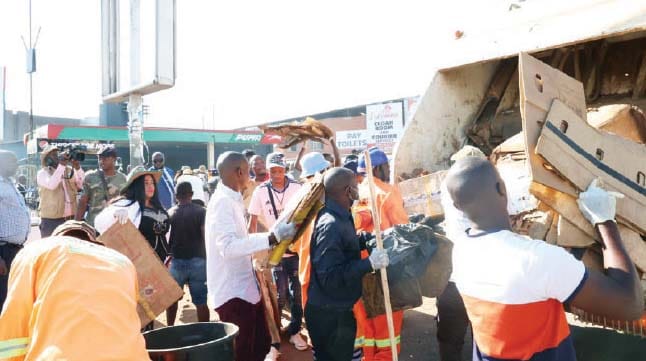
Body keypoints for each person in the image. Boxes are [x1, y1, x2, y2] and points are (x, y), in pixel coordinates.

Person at [446, 157, 643, 361]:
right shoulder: (536, 259)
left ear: (457, 206)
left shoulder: (461, 250)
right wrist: (604, 220)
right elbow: (631, 305)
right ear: (501, 188)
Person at [0, 221, 149, 360]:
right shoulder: (123, 262)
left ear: (57, 237)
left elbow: (15, 322)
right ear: (95, 242)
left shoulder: (36, 251)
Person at [205, 151, 295, 361]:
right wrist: (271, 238)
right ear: (239, 172)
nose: (251, 176)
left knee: (260, 346)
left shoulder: (232, 199)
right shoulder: (222, 203)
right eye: (248, 172)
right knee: (243, 353)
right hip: (233, 294)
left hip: (245, 289)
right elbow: (227, 248)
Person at [305, 167, 389, 361]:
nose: (359, 188)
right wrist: (369, 263)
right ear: (347, 191)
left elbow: (345, 245)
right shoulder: (331, 224)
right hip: (329, 316)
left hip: (337, 310)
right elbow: (330, 276)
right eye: (355, 185)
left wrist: (366, 240)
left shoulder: (342, 214)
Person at [248, 152, 307, 354]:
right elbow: (252, 222)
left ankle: (294, 330)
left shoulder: (298, 188)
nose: (276, 174)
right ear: (268, 170)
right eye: (273, 170)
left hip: (297, 250)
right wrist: (254, 248)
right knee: (278, 293)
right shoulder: (260, 191)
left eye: (280, 170)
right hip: (274, 251)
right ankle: (275, 334)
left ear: (285, 170)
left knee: (297, 293)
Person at [354, 147, 408, 361]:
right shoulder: (387, 192)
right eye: (386, 166)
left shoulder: (356, 193)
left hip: (362, 268)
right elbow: (402, 229)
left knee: (367, 324)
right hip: (386, 269)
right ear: (378, 168)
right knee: (388, 327)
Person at [436, 145, 486, 361]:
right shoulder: (486, 189)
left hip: (453, 277)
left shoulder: (447, 185)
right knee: (483, 337)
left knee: (449, 340)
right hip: (481, 281)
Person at [94, 166, 170, 262]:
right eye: (146, 183)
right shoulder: (127, 205)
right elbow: (99, 221)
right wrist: (114, 214)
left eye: (152, 183)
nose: (151, 187)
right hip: (139, 263)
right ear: (137, 185)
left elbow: (167, 234)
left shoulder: (159, 207)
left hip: (161, 264)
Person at [165, 182, 210, 326]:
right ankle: (206, 332)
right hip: (199, 261)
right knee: (201, 302)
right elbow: (205, 236)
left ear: (176, 196)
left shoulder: (170, 213)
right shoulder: (201, 211)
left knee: (171, 300)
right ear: (191, 194)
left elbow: (167, 240)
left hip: (176, 262)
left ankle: (170, 328)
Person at [0, 150, 30, 308]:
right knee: (3, 298)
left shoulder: (10, 183)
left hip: (15, 250)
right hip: (3, 252)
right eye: (12, 161)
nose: (16, 164)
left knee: (12, 296)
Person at [37, 146, 84, 237]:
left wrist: (78, 168)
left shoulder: (69, 170)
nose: (58, 157)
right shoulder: (42, 173)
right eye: (54, 155)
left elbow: (82, 185)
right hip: (52, 220)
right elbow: (52, 185)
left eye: (58, 154)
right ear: (47, 159)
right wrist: (61, 166)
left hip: (71, 218)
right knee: (52, 248)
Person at [76, 146, 127, 227]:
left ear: (114, 159)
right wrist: (76, 224)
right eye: (99, 158)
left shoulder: (122, 179)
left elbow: (125, 203)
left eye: (105, 158)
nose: (101, 161)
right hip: (94, 224)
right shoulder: (90, 177)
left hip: (113, 225)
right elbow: (83, 202)